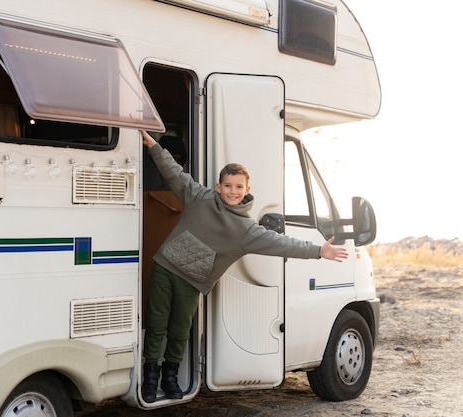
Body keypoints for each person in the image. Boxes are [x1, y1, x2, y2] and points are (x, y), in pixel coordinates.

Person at [139, 130, 348, 403]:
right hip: (166, 268)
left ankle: (169, 376)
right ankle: (150, 376)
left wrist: (319, 250)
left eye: (238, 187)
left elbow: (282, 244)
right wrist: (154, 146)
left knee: (180, 331)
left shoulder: (247, 230)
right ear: (218, 186)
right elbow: (174, 173)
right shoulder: (199, 197)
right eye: (228, 186)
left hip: (192, 282)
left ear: (247, 191)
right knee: (156, 325)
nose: (232, 191)